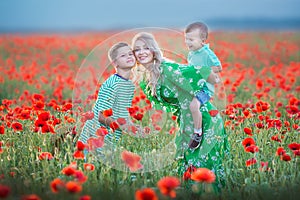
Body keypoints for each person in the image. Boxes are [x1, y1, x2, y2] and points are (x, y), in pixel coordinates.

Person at [132, 32, 229, 192]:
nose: (142, 52)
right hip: (186, 121)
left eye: (146, 48)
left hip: (204, 119)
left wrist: (213, 79)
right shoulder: (147, 77)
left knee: (201, 169)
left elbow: (201, 71)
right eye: (137, 49)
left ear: (153, 50)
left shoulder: (167, 69)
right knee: (188, 170)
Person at [78, 42, 136, 153]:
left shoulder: (129, 85)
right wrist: (123, 127)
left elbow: (123, 112)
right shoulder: (112, 84)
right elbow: (101, 116)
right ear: (115, 63)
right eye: (123, 55)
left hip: (111, 138)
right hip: (94, 139)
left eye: (130, 54)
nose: (128, 57)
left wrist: (132, 127)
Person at [184, 22, 223, 150]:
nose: (187, 42)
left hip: (205, 89)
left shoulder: (206, 53)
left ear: (202, 40)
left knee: (193, 105)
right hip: (195, 86)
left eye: (191, 39)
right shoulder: (191, 53)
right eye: (186, 39)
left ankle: (197, 133)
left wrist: (203, 70)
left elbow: (218, 67)